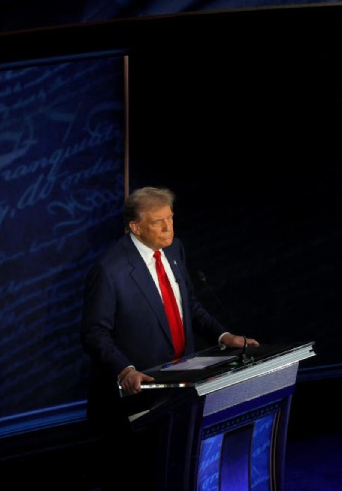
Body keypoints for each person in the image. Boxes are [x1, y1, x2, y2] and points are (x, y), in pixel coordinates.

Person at [80, 186, 258, 490]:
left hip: (181, 388)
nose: (168, 228)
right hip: (139, 400)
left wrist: (224, 335)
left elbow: (189, 306)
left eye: (170, 218)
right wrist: (125, 370)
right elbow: (93, 332)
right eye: (157, 222)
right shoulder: (109, 270)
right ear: (136, 227)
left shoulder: (175, 250)